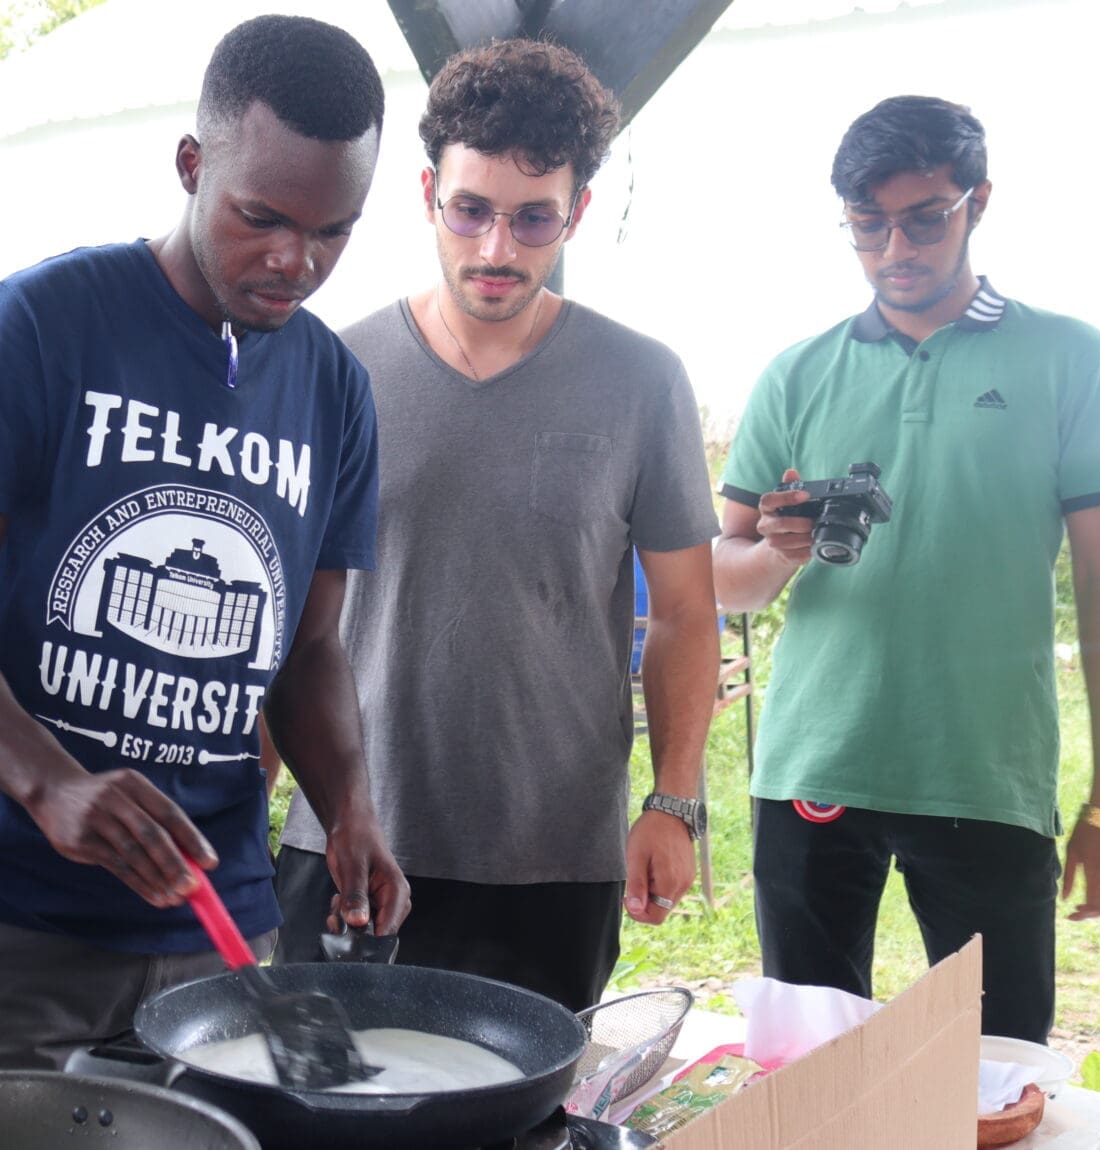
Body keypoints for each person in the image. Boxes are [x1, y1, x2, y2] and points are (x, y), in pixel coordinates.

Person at [0, 14, 408, 1074]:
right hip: (19, 917)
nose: (293, 260)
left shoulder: (333, 390)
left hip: (219, 925)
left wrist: (348, 804)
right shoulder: (42, 323)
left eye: (333, 231)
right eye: (260, 218)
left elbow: (306, 651)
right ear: (189, 164)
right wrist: (50, 784)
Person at [271, 39, 720, 1012]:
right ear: (427, 192)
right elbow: (283, 614)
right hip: (342, 841)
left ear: (577, 212)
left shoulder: (641, 381)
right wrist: (234, 806)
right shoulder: (332, 373)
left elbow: (685, 611)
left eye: (531, 220)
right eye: (469, 211)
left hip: (549, 860)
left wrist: (673, 800)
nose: (494, 249)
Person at [714, 96, 1100, 1043]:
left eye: (925, 218)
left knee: (994, 1075)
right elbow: (723, 574)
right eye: (866, 226)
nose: (894, 249)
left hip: (981, 773)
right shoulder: (797, 373)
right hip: (812, 764)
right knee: (809, 1070)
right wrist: (778, 551)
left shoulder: (1069, 358)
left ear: (979, 202)